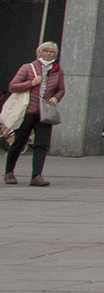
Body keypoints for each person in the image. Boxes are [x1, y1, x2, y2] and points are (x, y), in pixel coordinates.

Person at [4, 42, 65, 187]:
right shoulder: (28, 68)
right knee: (19, 142)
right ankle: (9, 172)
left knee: (42, 144)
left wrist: (56, 97)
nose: (50, 54)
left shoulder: (57, 70)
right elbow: (13, 86)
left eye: (52, 52)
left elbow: (61, 89)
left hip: (45, 113)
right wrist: (31, 83)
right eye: (46, 51)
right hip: (27, 112)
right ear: (40, 52)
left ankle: (36, 176)